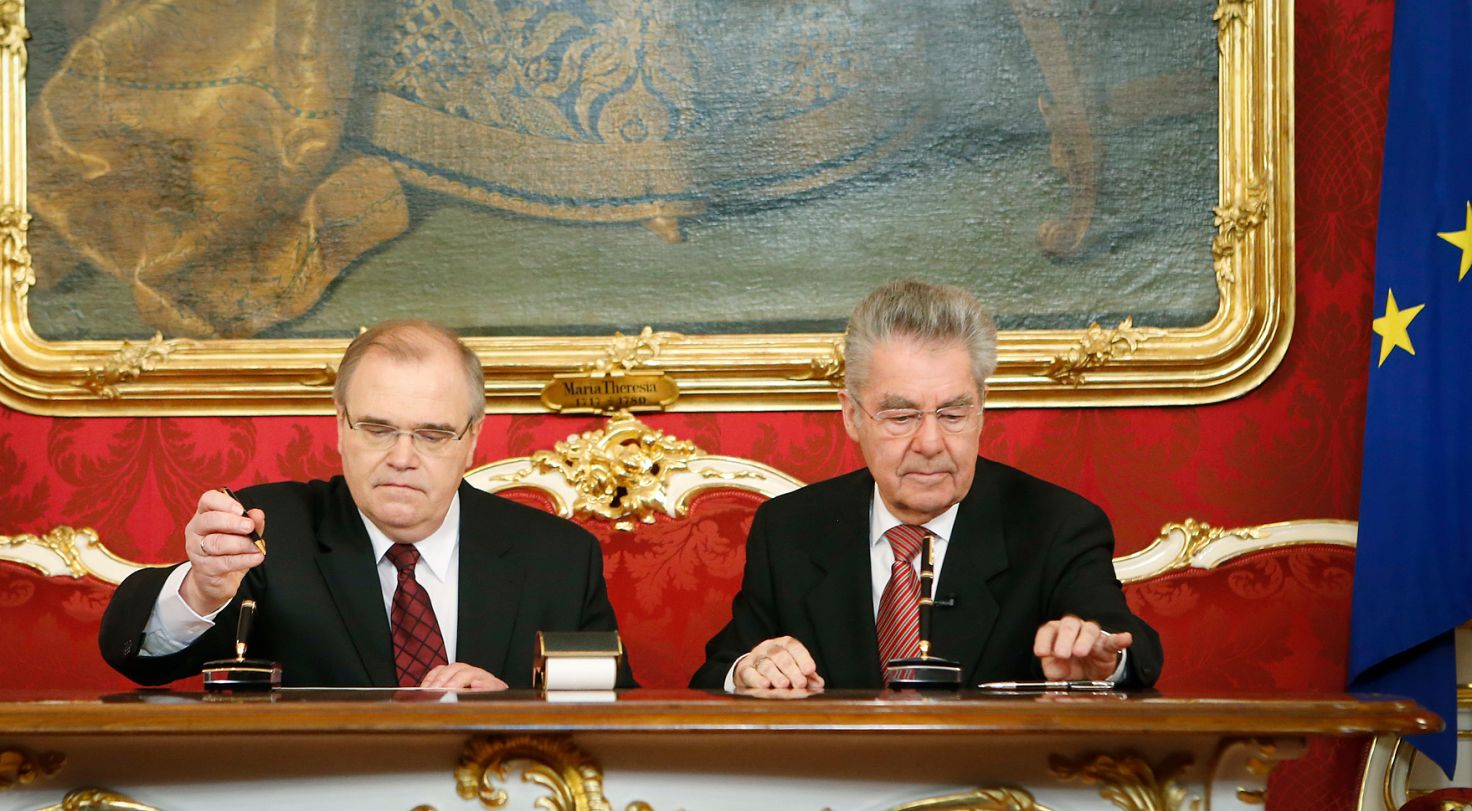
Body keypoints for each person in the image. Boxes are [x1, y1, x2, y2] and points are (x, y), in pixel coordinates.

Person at [100, 320, 627, 690]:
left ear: (471, 439)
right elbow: (143, 663)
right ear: (340, 426)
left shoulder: (559, 558)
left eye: (433, 434)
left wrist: (513, 709)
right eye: (377, 429)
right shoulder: (267, 531)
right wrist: (203, 587)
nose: (402, 458)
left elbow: (617, 715)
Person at [691, 280, 1162, 691]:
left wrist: (1103, 659)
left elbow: (1127, 647)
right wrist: (749, 671)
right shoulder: (790, 529)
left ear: (982, 407)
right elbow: (716, 676)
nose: (931, 443)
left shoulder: (1056, 525)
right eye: (901, 417)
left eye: (954, 414)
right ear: (852, 416)